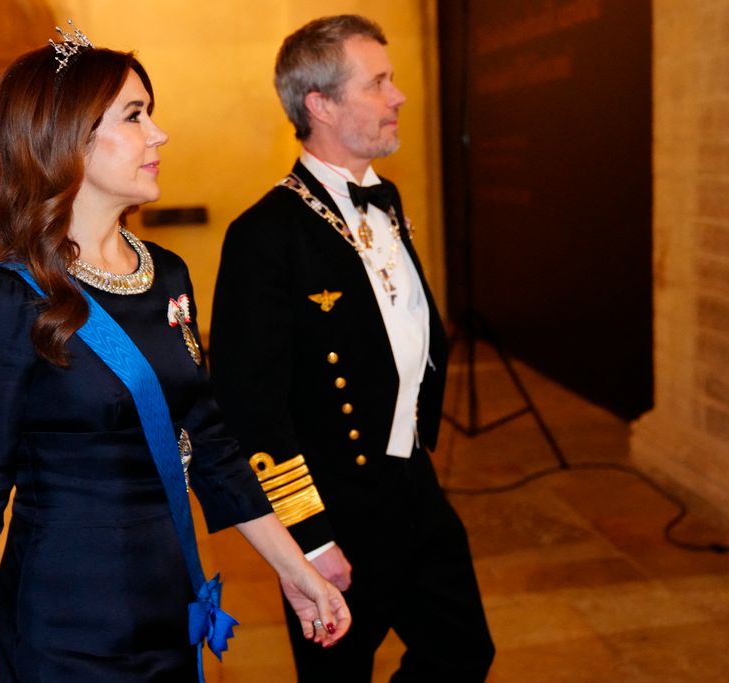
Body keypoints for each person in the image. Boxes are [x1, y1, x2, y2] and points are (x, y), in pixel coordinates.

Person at [0, 27, 349, 683]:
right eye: (134, 115)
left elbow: (211, 445)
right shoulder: (7, 308)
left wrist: (296, 572)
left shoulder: (170, 275)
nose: (160, 134)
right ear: (68, 136)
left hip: (173, 606)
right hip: (65, 632)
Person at [210, 14, 494, 682]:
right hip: (332, 504)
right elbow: (251, 408)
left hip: (409, 482)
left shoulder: (385, 199)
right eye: (379, 83)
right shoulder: (265, 235)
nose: (397, 97)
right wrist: (308, 538)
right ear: (322, 104)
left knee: (462, 649)